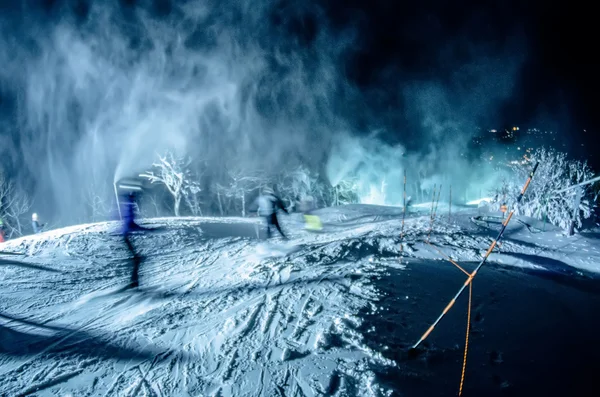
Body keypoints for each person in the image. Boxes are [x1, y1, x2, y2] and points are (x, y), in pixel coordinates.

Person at [121, 192, 143, 288]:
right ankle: (133, 281)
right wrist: (131, 199)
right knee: (137, 260)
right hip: (126, 238)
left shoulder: (130, 221)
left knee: (137, 260)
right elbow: (130, 212)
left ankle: (134, 281)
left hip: (126, 237)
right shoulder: (130, 220)